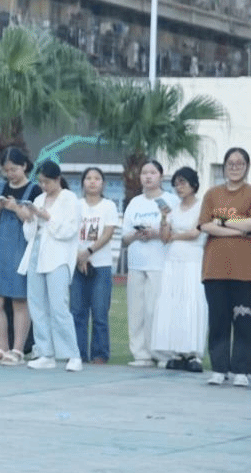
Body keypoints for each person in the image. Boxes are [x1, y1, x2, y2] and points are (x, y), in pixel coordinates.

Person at [13, 161, 82, 371]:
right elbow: (30, 233)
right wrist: (29, 218)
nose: (43, 186)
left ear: (57, 179)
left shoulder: (69, 199)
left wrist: (46, 217)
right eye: (41, 182)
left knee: (59, 306)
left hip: (58, 257)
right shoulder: (39, 199)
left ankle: (72, 354)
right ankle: (45, 353)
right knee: (37, 306)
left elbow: (69, 230)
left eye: (47, 182)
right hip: (36, 253)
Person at [0, 147, 41, 365]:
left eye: (14, 169)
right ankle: (2, 348)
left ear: (24, 166)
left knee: (19, 299)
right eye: (6, 170)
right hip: (0, 248)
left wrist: (15, 207)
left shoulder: (34, 190)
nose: (10, 174)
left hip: (22, 248)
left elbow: (32, 219)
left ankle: (18, 350)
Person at [196, 147, 251, 386]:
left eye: (240, 163)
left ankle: (241, 370)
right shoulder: (212, 194)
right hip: (215, 268)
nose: (235, 167)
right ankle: (219, 368)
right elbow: (205, 225)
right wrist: (239, 229)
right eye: (231, 163)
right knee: (218, 320)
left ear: (247, 167)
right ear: (225, 166)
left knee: (244, 321)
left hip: (244, 269)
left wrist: (224, 222)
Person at [121, 160, 179, 367]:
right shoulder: (135, 203)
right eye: (144, 173)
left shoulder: (171, 201)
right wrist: (137, 235)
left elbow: (175, 231)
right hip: (136, 263)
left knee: (156, 311)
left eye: (152, 172)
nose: (148, 176)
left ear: (161, 176)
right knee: (136, 311)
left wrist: (155, 233)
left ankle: (161, 353)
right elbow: (125, 237)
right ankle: (141, 354)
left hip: (160, 263)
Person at [152, 167, 207, 373]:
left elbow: (195, 233)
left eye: (183, 182)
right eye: (176, 184)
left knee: (191, 303)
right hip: (173, 261)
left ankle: (193, 353)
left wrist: (174, 236)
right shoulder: (173, 209)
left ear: (193, 184)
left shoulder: (202, 206)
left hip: (193, 260)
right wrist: (164, 218)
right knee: (173, 304)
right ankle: (176, 351)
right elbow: (164, 238)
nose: (179, 187)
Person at [70, 167, 120, 364]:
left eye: (97, 178)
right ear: (82, 183)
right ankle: (78, 353)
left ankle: (100, 354)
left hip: (101, 265)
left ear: (103, 184)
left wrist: (88, 252)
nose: (92, 182)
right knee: (77, 312)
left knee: (99, 313)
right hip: (77, 264)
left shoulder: (108, 206)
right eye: (88, 178)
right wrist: (79, 257)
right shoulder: (76, 205)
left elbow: (108, 233)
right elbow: (70, 232)